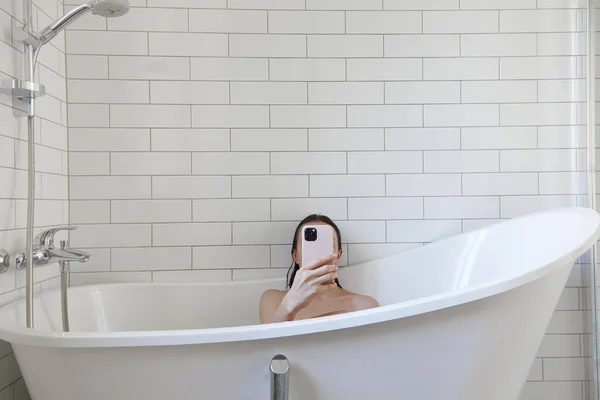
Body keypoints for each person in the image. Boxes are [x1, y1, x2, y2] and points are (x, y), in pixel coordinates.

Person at [259, 214, 380, 324]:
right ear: (295, 255)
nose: (318, 255)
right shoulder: (273, 300)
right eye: (309, 246)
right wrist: (288, 306)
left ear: (338, 254)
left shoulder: (366, 306)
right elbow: (269, 347)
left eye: (326, 244)